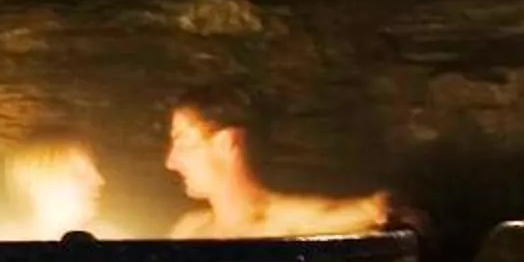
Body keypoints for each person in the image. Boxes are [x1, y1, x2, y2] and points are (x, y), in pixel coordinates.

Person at [163, 87, 411, 241]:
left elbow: (378, 210)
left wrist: (382, 210)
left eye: (182, 141)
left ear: (227, 142)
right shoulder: (188, 230)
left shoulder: (289, 223)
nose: (171, 162)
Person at [4, 130, 107, 239]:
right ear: (36, 179)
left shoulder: (109, 239)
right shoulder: (5, 242)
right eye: (79, 174)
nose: (100, 181)